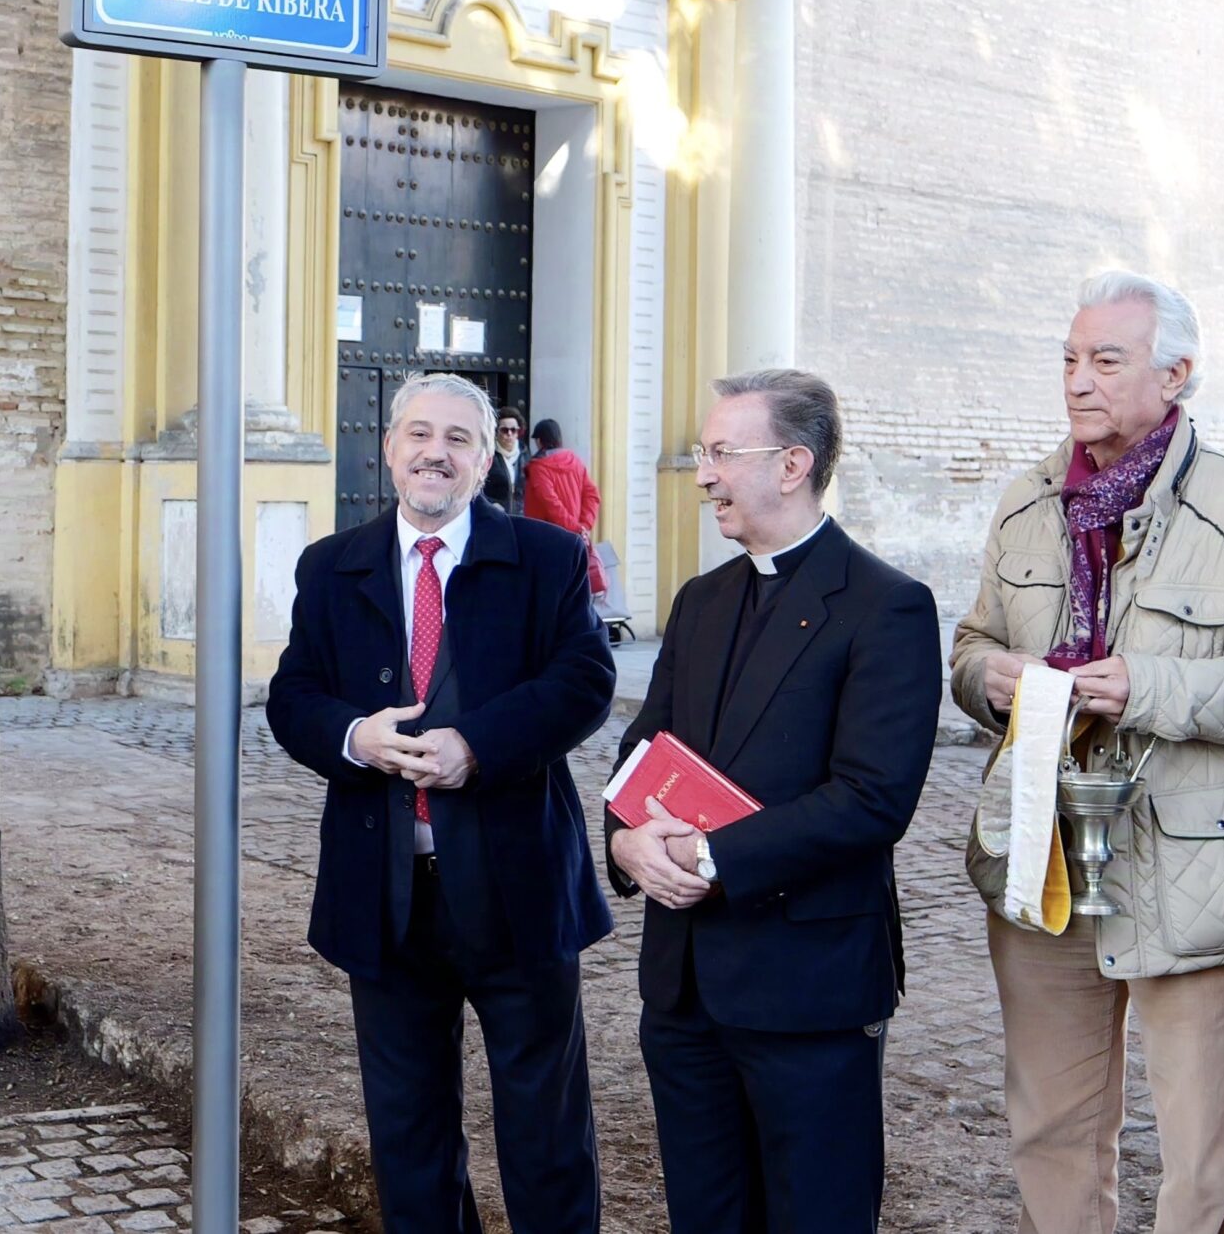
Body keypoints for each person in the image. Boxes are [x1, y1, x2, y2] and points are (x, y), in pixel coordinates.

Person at [948, 271, 1224, 1234]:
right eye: (1069, 359)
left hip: (1197, 866)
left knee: (1205, 1149)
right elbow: (969, 648)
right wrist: (988, 678)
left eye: (1105, 361)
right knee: (1049, 1122)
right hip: (1043, 854)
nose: (1077, 381)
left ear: (1179, 374)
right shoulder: (1026, 502)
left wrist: (1150, 687)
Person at [266, 372, 617, 1233]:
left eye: (458, 439)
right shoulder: (331, 564)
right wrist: (356, 738)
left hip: (517, 888)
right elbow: (293, 696)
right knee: (409, 1133)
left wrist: (477, 746)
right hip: (383, 895)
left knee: (546, 1131)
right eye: (419, 435)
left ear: (486, 453)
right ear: (389, 450)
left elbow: (585, 682)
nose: (435, 453)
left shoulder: (548, 558)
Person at [607, 369, 940, 1233]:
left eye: (722, 453)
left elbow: (873, 799)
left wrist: (709, 858)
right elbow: (644, 752)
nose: (704, 473)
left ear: (792, 463)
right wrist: (627, 842)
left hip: (809, 990)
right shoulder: (701, 599)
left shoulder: (888, 606)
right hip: (684, 992)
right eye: (704, 454)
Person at [521, 417, 606, 594]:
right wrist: (583, 525)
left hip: (543, 538)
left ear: (540, 441)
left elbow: (551, 504)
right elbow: (592, 495)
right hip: (573, 540)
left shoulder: (539, 467)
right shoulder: (575, 461)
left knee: (548, 593)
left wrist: (576, 527)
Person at [482, 405, 531, 514]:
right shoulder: (488, 455)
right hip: (496, 514)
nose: (509, 434)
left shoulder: (525, 453)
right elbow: (477, 488)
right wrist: (491, 504)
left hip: (521, 515)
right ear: (496, 432)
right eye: (504, 430)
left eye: (513, 430)